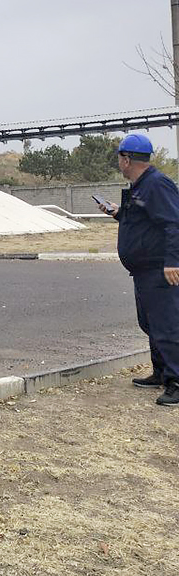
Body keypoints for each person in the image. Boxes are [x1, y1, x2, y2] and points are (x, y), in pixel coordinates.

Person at [103, 134, 179, 407]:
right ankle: (161, 372)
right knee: (150, 324)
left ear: (127, 159)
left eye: (119, 157)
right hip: (144, 270)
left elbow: (173, 223)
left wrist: (173, 262)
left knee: (167, 326)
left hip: (160, 269)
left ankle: (176, 381)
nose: (118, 162)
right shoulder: (140, 185)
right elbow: (143, 220)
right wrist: (116, 212)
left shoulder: (157, 184)